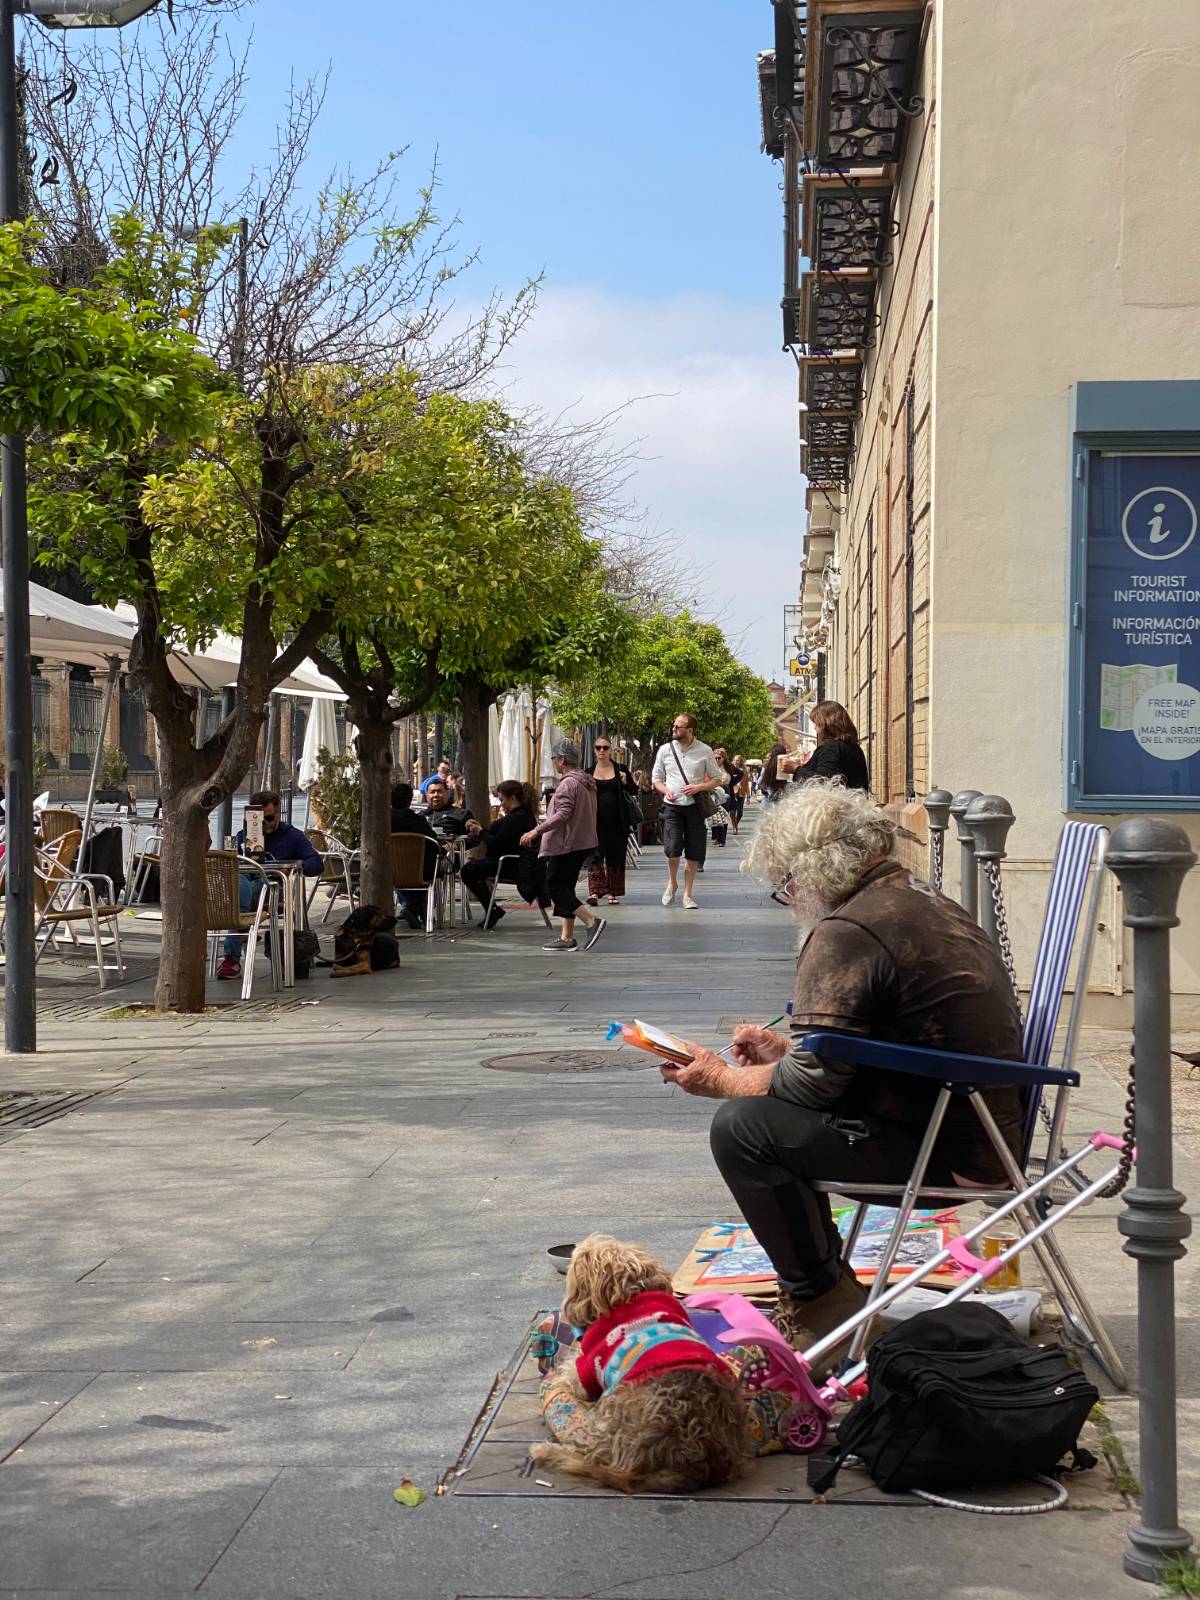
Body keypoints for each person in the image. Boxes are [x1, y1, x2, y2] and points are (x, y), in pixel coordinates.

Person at [656, 781, 1025, 1360]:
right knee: (762, 1115)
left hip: (947, 1152)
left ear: (813, 868)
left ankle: (821, 1302)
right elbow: (857, 1053)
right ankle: (828, 1289)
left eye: (786, 883)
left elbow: (816, 1083)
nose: (791, 896)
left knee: (744, 1130)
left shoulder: (848, 929)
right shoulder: (923, 899)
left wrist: (719, 1077)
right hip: (981, 1130)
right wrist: (787, 1050)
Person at [218, 790, 322, 980]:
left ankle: (233, 954)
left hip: (276, 888)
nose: (265, 823)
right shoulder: (243, 836)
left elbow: (316, 864)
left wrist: (293, 868)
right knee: (240, 883)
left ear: (278, 814)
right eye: (258, 819)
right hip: (249, 886)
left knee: (255, 888)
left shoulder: (292, 836)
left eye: (270, 818)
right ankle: (242, 932)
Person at [520, 738, 607, 953]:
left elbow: (563, 814)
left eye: (554, 758)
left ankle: (590, 921)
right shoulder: (587, 782)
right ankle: (566, 937)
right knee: (566, 887)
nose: (554, 763)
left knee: (555, 887)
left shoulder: (569, 783)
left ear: (562, 759)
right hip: (582, 841)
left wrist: (536, 830)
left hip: (566, 843)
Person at [651, 713, 724, 910]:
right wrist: (666, 790)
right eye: (673, 726)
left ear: (690, 730)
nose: (673, 729)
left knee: (694, 852)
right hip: (672, 806)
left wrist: (698, 787)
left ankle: (687, 894)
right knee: (672, 849)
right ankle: (672, 882)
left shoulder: (704, 750)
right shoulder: (665, 750)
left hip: (694, 807)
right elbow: (656, 778)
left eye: (678, 727)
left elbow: (717, 779)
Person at [462, 780, 541, 930]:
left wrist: (480, 831)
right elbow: (499, 837)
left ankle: (492, 909)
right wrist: (480, 829)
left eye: (502, 799)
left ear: (512, 798)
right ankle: (492, 909)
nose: (501, 804)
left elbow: (496, 843)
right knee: (472, 869)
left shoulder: (517, 818)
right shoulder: (522, 815)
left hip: (511, 865)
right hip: (510, 862)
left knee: (468, 870)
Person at [585, 736, 636, 906]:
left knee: (616, 857)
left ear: (610, 749)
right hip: (594, 822)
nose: (601, 751)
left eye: (605, 748)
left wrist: (625, 781)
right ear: (594, 750)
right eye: (598, 747)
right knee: (595, 856)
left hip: (617, 822)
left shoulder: (620, 768)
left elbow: (634, 790)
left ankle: (613, 892)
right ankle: (594, 892)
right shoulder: (588, 772)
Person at [390, 780, 440, 931]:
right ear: (409, 800)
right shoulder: (418, 821)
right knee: (429, 869)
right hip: (418, 873)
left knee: (403, 875)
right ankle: (411, 909)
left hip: (389, 873)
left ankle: (410, 908)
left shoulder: (382, 820)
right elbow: (434, 844)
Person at [794, 701, 869, 791]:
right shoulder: (853, 747)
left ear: (826, 724)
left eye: (817, 724)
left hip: (836, 804)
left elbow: (822, 783)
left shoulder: (832, 749)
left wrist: (796, 769)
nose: (815, 729)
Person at [423, 778, 473, 844]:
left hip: (449, 852)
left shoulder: (461, 814)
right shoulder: (420, 816)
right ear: (427, 796)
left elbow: (474, 836)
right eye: (432, 792)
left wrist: (456, 845)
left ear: (446, 793)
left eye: (439, 791)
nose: (436, 795)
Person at [727, 753, 747, 835]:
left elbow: (746, 783)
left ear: (740, 762)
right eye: (735, 760)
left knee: (740, 813)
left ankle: (736, 824)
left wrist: (748, 795)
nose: (736, 762)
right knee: (732, 811)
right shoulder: (730, 769)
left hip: (741, 793)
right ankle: (734, 827)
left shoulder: (744, 771)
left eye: (737, 760)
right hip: (732, 791)